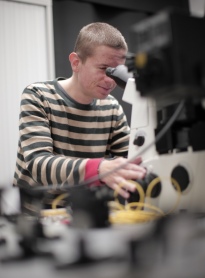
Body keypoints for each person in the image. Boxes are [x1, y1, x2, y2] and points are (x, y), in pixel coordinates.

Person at [13, 22, 146, 199]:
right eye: (104, 69)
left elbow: (134, 160)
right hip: (37, 216)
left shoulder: (112, 108)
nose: (110, 80)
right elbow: (39, 166)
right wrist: (98, 168)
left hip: (87, 215)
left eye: (116, 71)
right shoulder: (38, 96)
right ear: (76, 62)